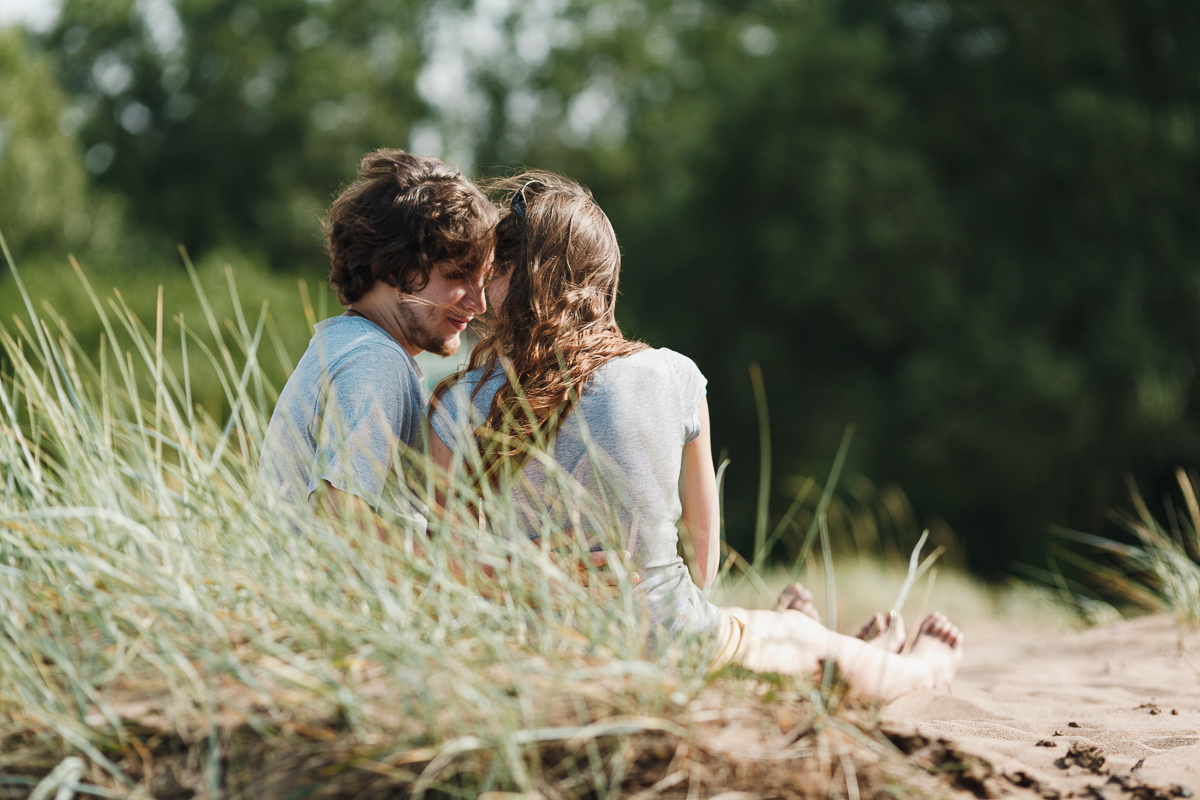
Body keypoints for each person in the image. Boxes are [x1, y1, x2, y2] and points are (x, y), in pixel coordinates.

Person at [428, 171, 963, 701]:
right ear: (602, 281)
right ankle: (918, 668)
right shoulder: (672, 374)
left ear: (506, 277)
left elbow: (448, 561)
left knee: (776, 634)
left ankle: (797, 634)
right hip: (664, 640)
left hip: (533, 644)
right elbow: (703, 558)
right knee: (806, 650)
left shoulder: (457, 403)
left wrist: (540, 573)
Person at [259, 149, 498, 528]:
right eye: (458, 275)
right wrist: (506, 572)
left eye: (483, 280)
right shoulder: (374, 361)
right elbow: (341, 524)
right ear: (394, 265)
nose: (479, 303)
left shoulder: (343, 346)